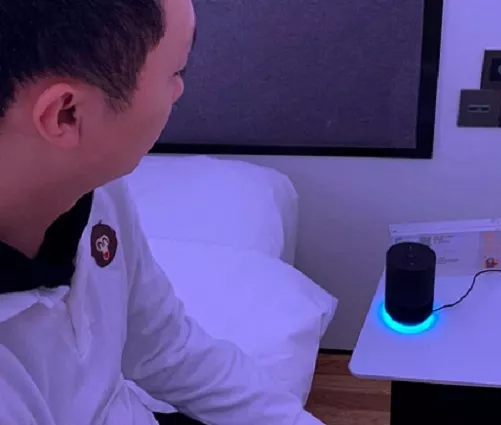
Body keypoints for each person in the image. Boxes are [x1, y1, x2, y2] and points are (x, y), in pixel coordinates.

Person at [0, 1, 324, 424]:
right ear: (67, 114)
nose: (179, 91)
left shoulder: (93, 184)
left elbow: (167, 347)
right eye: (175, 72)